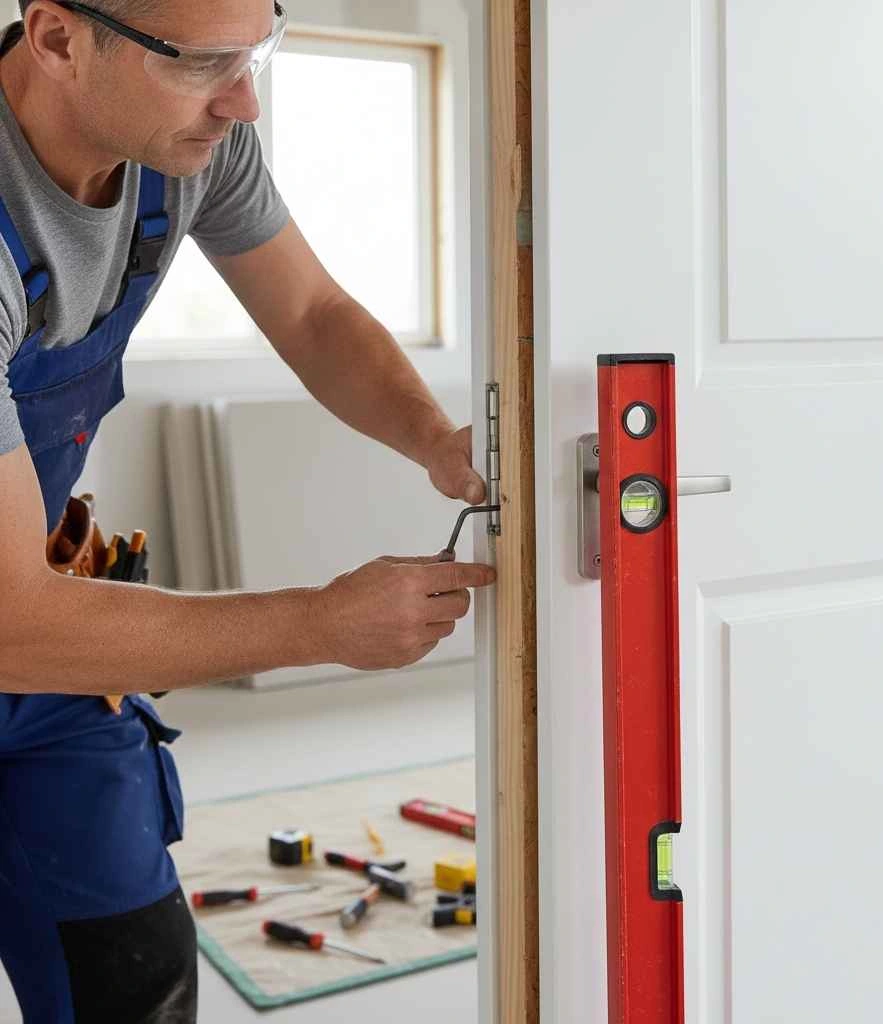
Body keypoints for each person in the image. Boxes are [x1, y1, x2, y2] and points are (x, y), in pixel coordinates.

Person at [0, 1, 496, 1019]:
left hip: (54, 656)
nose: (243, 99)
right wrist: (320, 623)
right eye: (203, 64)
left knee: (136, 982)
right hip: (19, 620)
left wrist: (436, 440)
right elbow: (9, 624)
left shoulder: (187, 147)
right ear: (55, 39)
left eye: (258, 51)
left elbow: (313, 315)